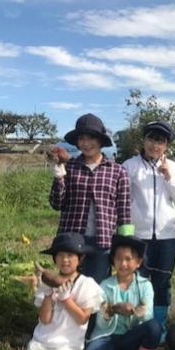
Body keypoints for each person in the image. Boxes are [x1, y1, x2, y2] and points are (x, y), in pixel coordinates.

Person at [0, 233, 103, 350]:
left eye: (70, 255)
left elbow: (83, 318)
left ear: (81, 258)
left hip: (68, 345)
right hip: (41, 344)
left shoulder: (87, 284)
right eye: (60, 255)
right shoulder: (47, 283)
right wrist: (48, 294)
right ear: (55, 259)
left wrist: (66, 299)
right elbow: (45, 320)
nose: (65, 260)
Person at [122, 120, 175, 341]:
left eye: (160, 141)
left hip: (166, 235)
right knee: (138, 281)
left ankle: (159, 328)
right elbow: (121, 198)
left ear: (166, 146)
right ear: (144, 140)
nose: (155, 145)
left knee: (162, 282)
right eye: (151, 139)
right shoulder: (130, 166)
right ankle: (139, 323)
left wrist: (168, 176)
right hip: (138, 235)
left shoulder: (173, 168)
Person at [48, 113, 131, 283]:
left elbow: (124, 211)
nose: (86, 143)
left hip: (103, 241)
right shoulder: (69, 167)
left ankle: (94, 312)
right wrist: (59, 178)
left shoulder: (117, 171)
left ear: (100, 140)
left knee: (98, 288)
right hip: (72, 239)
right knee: (70, 287)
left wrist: (125, 244)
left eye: (91, 138)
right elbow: (57, 203)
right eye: (81, 138)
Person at [79, 233, 162, 350]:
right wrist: (110, 312)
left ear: (138, 262)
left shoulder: (145, 285)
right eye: (118, 258)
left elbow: (148, 315)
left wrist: (135, 311)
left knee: (154, 327)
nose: (123, 264)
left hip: (131, 336)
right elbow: (100, 323)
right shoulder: (105, 285)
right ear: (113, 261)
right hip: (107, 336)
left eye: (128, 259)